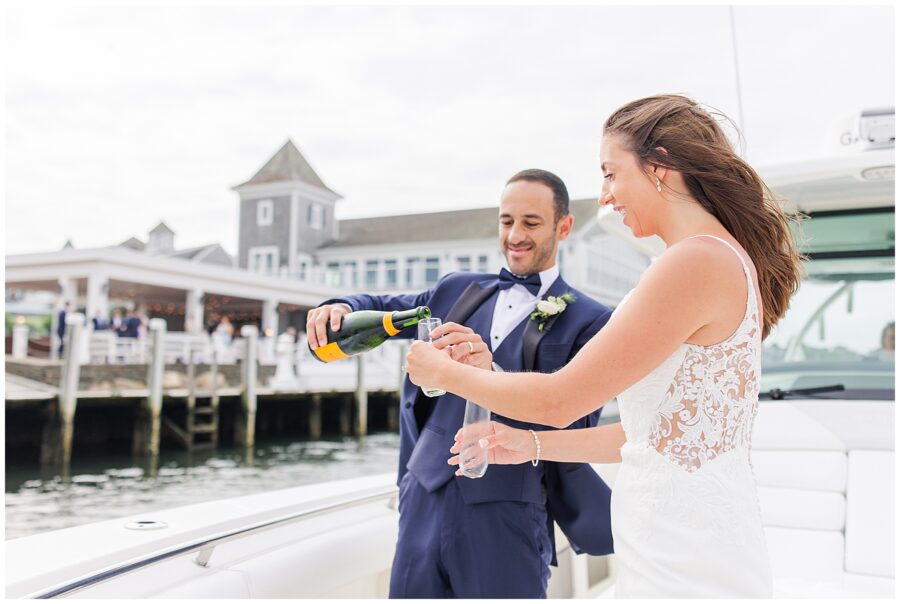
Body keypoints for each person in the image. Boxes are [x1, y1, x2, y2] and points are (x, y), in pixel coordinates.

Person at [406, 94, 804, 598]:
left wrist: (445, 374)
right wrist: (529, 444)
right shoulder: (718, 258)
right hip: (687, 533)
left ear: (659, 167)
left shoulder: (693, 263)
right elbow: (657, 436)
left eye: (611, 173)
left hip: (679, 546)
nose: (606, 194)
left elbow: (561, 400)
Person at [307, 169, 615, 598]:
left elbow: (577, 426)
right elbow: (378, 307)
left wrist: (495, 377)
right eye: (507, 221)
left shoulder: (591, 320)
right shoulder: (456, 288)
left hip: (509, 509)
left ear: (564, 226)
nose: (515, 235)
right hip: (423, 496)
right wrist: (339, 305)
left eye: (531, 222)